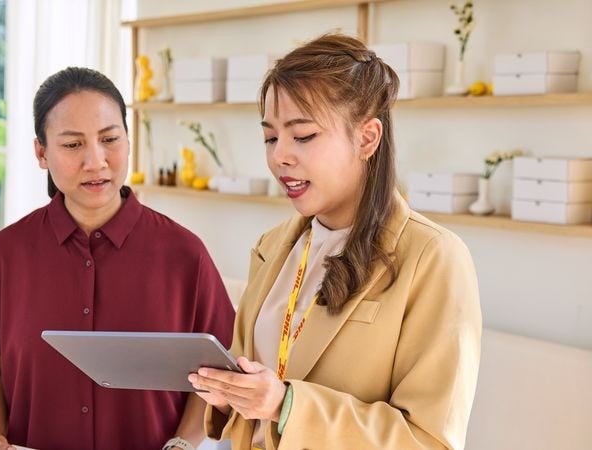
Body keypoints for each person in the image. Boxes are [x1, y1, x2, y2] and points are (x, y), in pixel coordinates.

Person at [189, 33, 482, 450]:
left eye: (303, 135)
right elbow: (249, 397)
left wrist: (287, 405)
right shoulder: (271, 247)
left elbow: (429, 439)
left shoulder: (435, 258)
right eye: (271, 138)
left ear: (367, 138)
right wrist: (227, 395)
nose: (279, 157)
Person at [0, 67, 235, 450]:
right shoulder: (7, 253)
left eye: (109, 139)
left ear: (128, 139)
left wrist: (183, 445)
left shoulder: (185, 255)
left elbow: (217, 378)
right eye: (73, 145)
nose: (96, 161)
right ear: (41, 152)